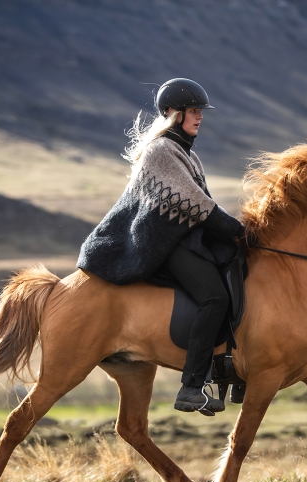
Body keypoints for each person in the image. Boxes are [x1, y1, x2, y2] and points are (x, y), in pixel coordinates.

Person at [77, 78, 244, 416]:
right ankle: (191, 386)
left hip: (183, 238)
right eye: (193, 111)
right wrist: (235, 229)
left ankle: (230, 372)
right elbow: (194, 203)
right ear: (172, 112)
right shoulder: (161, 150)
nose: (199, 117)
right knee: (215, 296)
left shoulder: (184, 152)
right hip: (160, 243)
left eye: (201, 112)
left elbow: (200, 205)